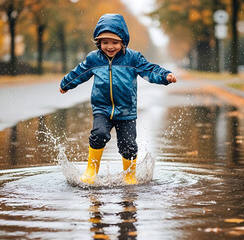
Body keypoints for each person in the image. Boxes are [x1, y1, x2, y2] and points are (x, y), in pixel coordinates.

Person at [59, 14, 177, 185]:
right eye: (105, 42)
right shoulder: (94, 59)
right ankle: (91, 171)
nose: (110, 46)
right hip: (102, 108)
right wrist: (66, 83)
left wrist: (165, 76)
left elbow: (149, 70)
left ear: (123, 42)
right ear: (98, 43)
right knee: (98, 134)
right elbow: (80, 72)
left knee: (128, 145)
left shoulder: (133, 58)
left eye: (115, 42)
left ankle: (129, 175)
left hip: (126, 110)